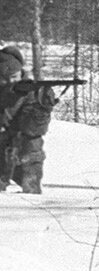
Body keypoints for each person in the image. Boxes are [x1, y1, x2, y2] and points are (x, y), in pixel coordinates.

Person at [0, 44, 59, 195]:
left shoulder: (32, 91)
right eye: (4, 79)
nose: (10, 82)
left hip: (21, 150)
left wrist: (42, 109)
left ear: (21, 73)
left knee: (33, 143)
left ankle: (31, 193)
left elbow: (33, 129)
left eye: (14, 76)